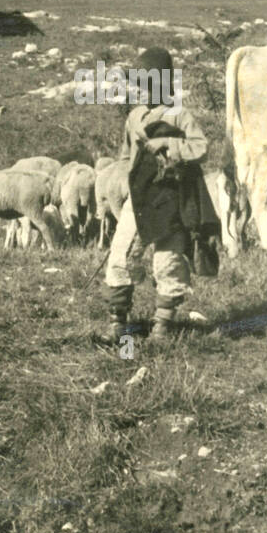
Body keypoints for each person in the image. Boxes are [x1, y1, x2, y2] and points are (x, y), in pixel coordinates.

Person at [101, 47, 220, 347]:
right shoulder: (134, 117)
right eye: (139, 83)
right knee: (121, 254)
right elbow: (126, 157)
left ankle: (162, 326)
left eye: (148, 83)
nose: (142, 90)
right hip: (140, 198)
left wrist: (168, 143)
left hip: (172, 199)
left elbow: (201, 148)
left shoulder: (180, 115)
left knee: (167, 262)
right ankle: (118, 323)